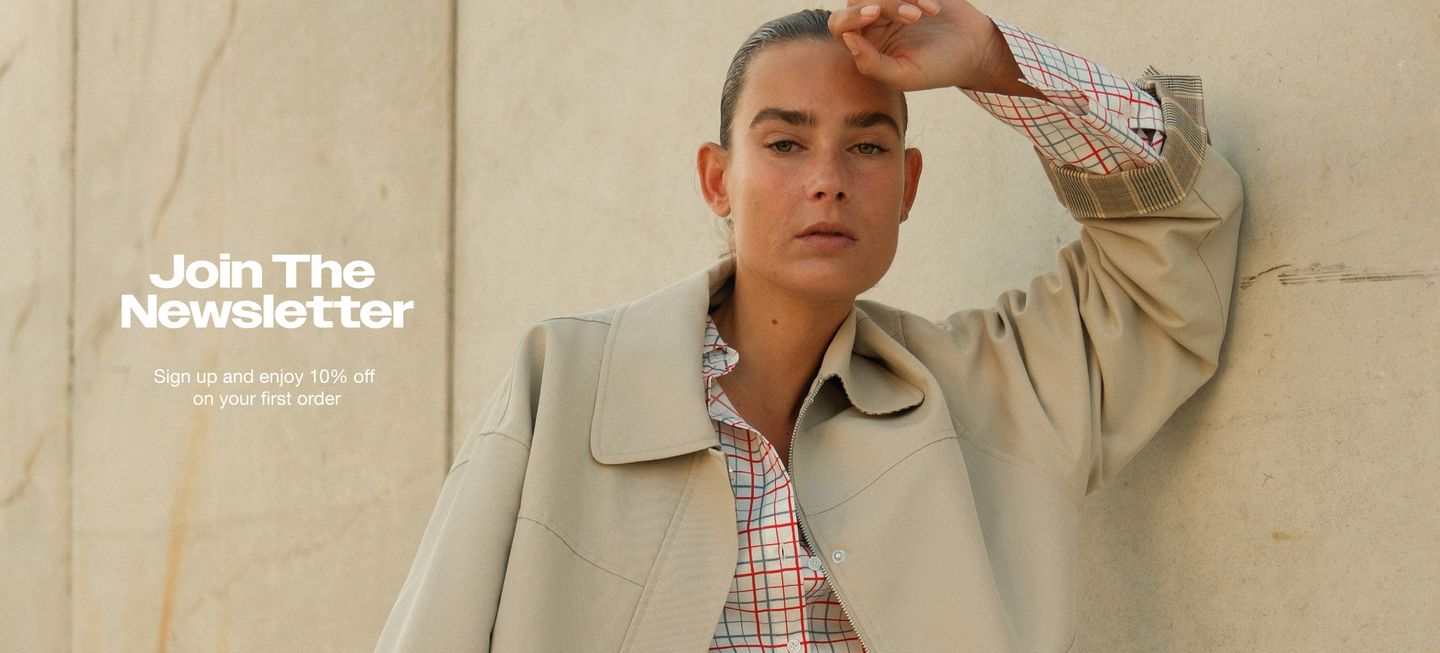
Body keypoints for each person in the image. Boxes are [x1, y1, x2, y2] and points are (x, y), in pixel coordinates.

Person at [375, 0, 1243, 650]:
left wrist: (996, 64)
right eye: (786, 144)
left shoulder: (995, 392)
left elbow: (1173, 231)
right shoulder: (563, 382)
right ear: (719, 180)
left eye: (866, 147)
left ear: (906, 188)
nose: (827, 179)